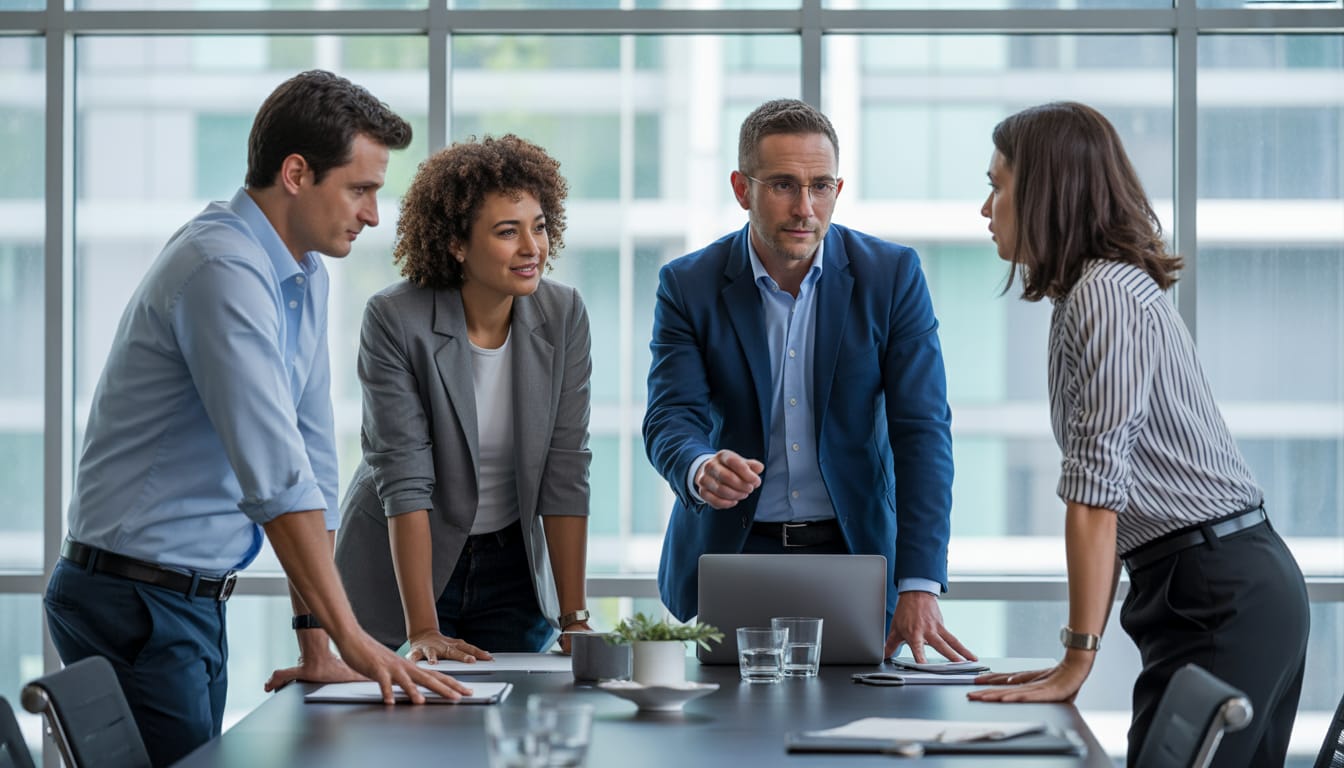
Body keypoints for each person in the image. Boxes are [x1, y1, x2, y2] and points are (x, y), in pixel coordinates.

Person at [43, 70, 470, 767]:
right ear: (296, 173)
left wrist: (318, 645)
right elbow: (273, 478)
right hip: (131, 600)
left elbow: (309, 462)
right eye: (359, 189)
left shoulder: (303, 274)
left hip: (187, 600)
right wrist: (357, 640)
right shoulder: (220, 268)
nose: (372, 214)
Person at [967, 101, 1309, 768]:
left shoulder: (1105, 294)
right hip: (1203, 580)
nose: (986, 209)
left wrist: (1074, 660)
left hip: (1218, 587)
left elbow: (1095, 491)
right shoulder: (1085, 294)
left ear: (1045, 189)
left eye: (996, 185)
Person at [643, 98, 975, 663]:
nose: (805, 208)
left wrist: (919, 581)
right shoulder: (688, 284)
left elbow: (922, 432)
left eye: (821, 186)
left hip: (856, 554)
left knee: (858, 730)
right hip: (735, 552)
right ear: (741, 189)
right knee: (729, 737)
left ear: (838, 190)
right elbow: (671, 416)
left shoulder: (891, 276)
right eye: (782, 185)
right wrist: (700, 468)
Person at [334, 134, 593, 663]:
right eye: (507, 232)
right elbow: (405, 481)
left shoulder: (563, 314)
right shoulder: (394, 319)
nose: (532, 248)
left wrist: (575, 618)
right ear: (457, 244)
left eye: (539, 227)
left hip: (512, 569)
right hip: (403, 564)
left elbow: (566, 470)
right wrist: (424, 629)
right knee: (400, 732)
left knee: (509, 726)